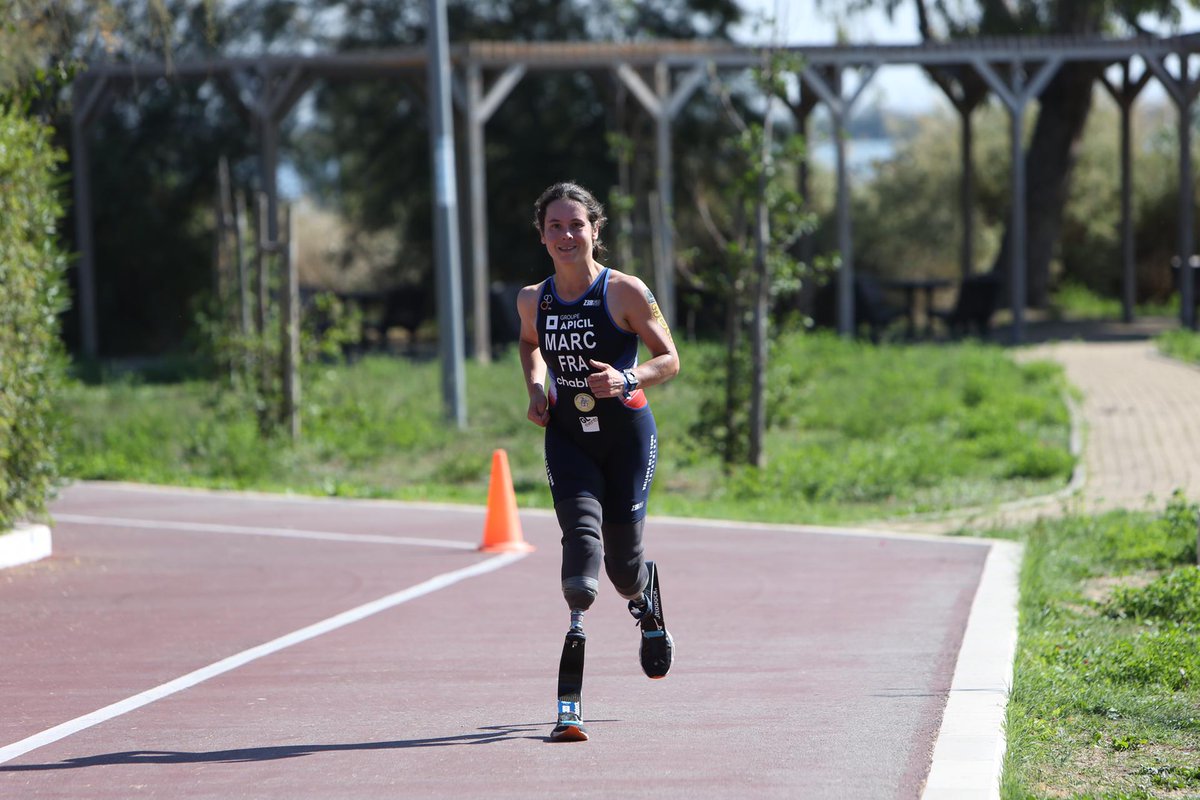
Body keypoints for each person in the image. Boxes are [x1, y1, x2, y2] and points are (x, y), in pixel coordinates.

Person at [516, 181, 680, 681]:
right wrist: (537, 387)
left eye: (576, 225)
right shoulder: (533, 299)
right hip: (569, 437)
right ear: (542, 235)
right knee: (582, 547)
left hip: (626, 437)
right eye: (555, 226)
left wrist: (626, 378)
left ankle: (646, 607)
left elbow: (670, 359)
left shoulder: (625, 291)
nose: (566, 236)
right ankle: (577, 622)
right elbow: (530, 343)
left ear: (595, 230)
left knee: (624, 569)